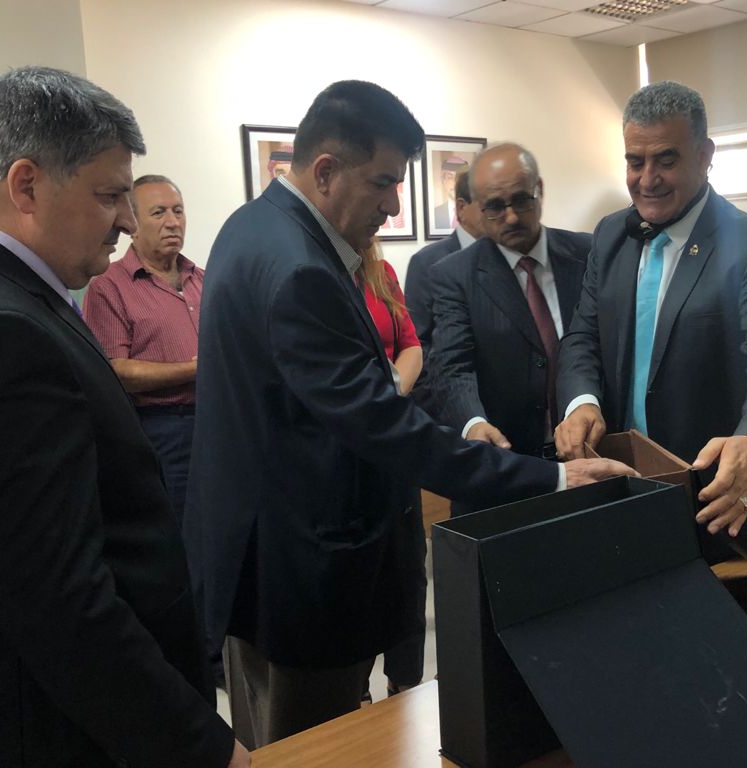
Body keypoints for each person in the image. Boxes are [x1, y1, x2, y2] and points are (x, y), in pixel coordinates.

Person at [183, 79, 633, 748]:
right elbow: (385, 427)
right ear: (326, 171)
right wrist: (554, 479)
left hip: (264, 552)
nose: (395, 205)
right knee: (316, 747)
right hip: (301, 569)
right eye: (384, 183)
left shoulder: (252, 227)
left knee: (277, 734)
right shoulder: (300, 268)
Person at [0, 66, 247, 768]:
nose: (127, 220)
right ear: (26, 186)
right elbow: (58, 600)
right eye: (110, 195)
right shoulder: (2, 327)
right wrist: (200, 747)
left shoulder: (3, 292)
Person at [556, 80, 747, 562]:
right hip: (624, 491)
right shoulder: (611, 234)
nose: (647, 179)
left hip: (718, 503)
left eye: (666, 160)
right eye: (635, 162)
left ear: (705, 155)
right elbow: (583, 335)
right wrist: (581, 401)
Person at [431, 142, 590, 460]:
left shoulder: (587, 253)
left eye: (521, 200)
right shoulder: (455, 275)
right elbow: (452, 367)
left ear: (539, 189)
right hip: (507, 455)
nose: (512, 217)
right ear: (477, 207)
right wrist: (473, 423)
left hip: (589, 446)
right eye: (495, 207)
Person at [84, 175, 201, 525]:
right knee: (179, 529)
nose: (173, 222)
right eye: (159, 212)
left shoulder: (203, 278)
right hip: (164, 430)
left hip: (217, 421)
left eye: (178, 211)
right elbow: (115, 372)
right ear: (133, 225)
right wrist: (196, 369)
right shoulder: (109, 286)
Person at [356, 240, 427, 701]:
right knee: (361, 569)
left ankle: (405, 682)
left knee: (408, 563)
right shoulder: (316, 277)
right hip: (348, 438)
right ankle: (355, 691)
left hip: (394, 431)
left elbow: (411, 345)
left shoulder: (381, 273)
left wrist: (390, 391)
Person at [405, 167, 483, 415]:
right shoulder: (427, 263)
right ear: (461, 207)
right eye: (488, 204)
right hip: (452, 409)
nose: (502, 214)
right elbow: (418, 343)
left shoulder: (509, 260)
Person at [433, 154, 468, 229]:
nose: (455, 182)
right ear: (443, 181)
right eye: (450, 177)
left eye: (459, 177)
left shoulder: (476, 214)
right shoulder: (434, 214)